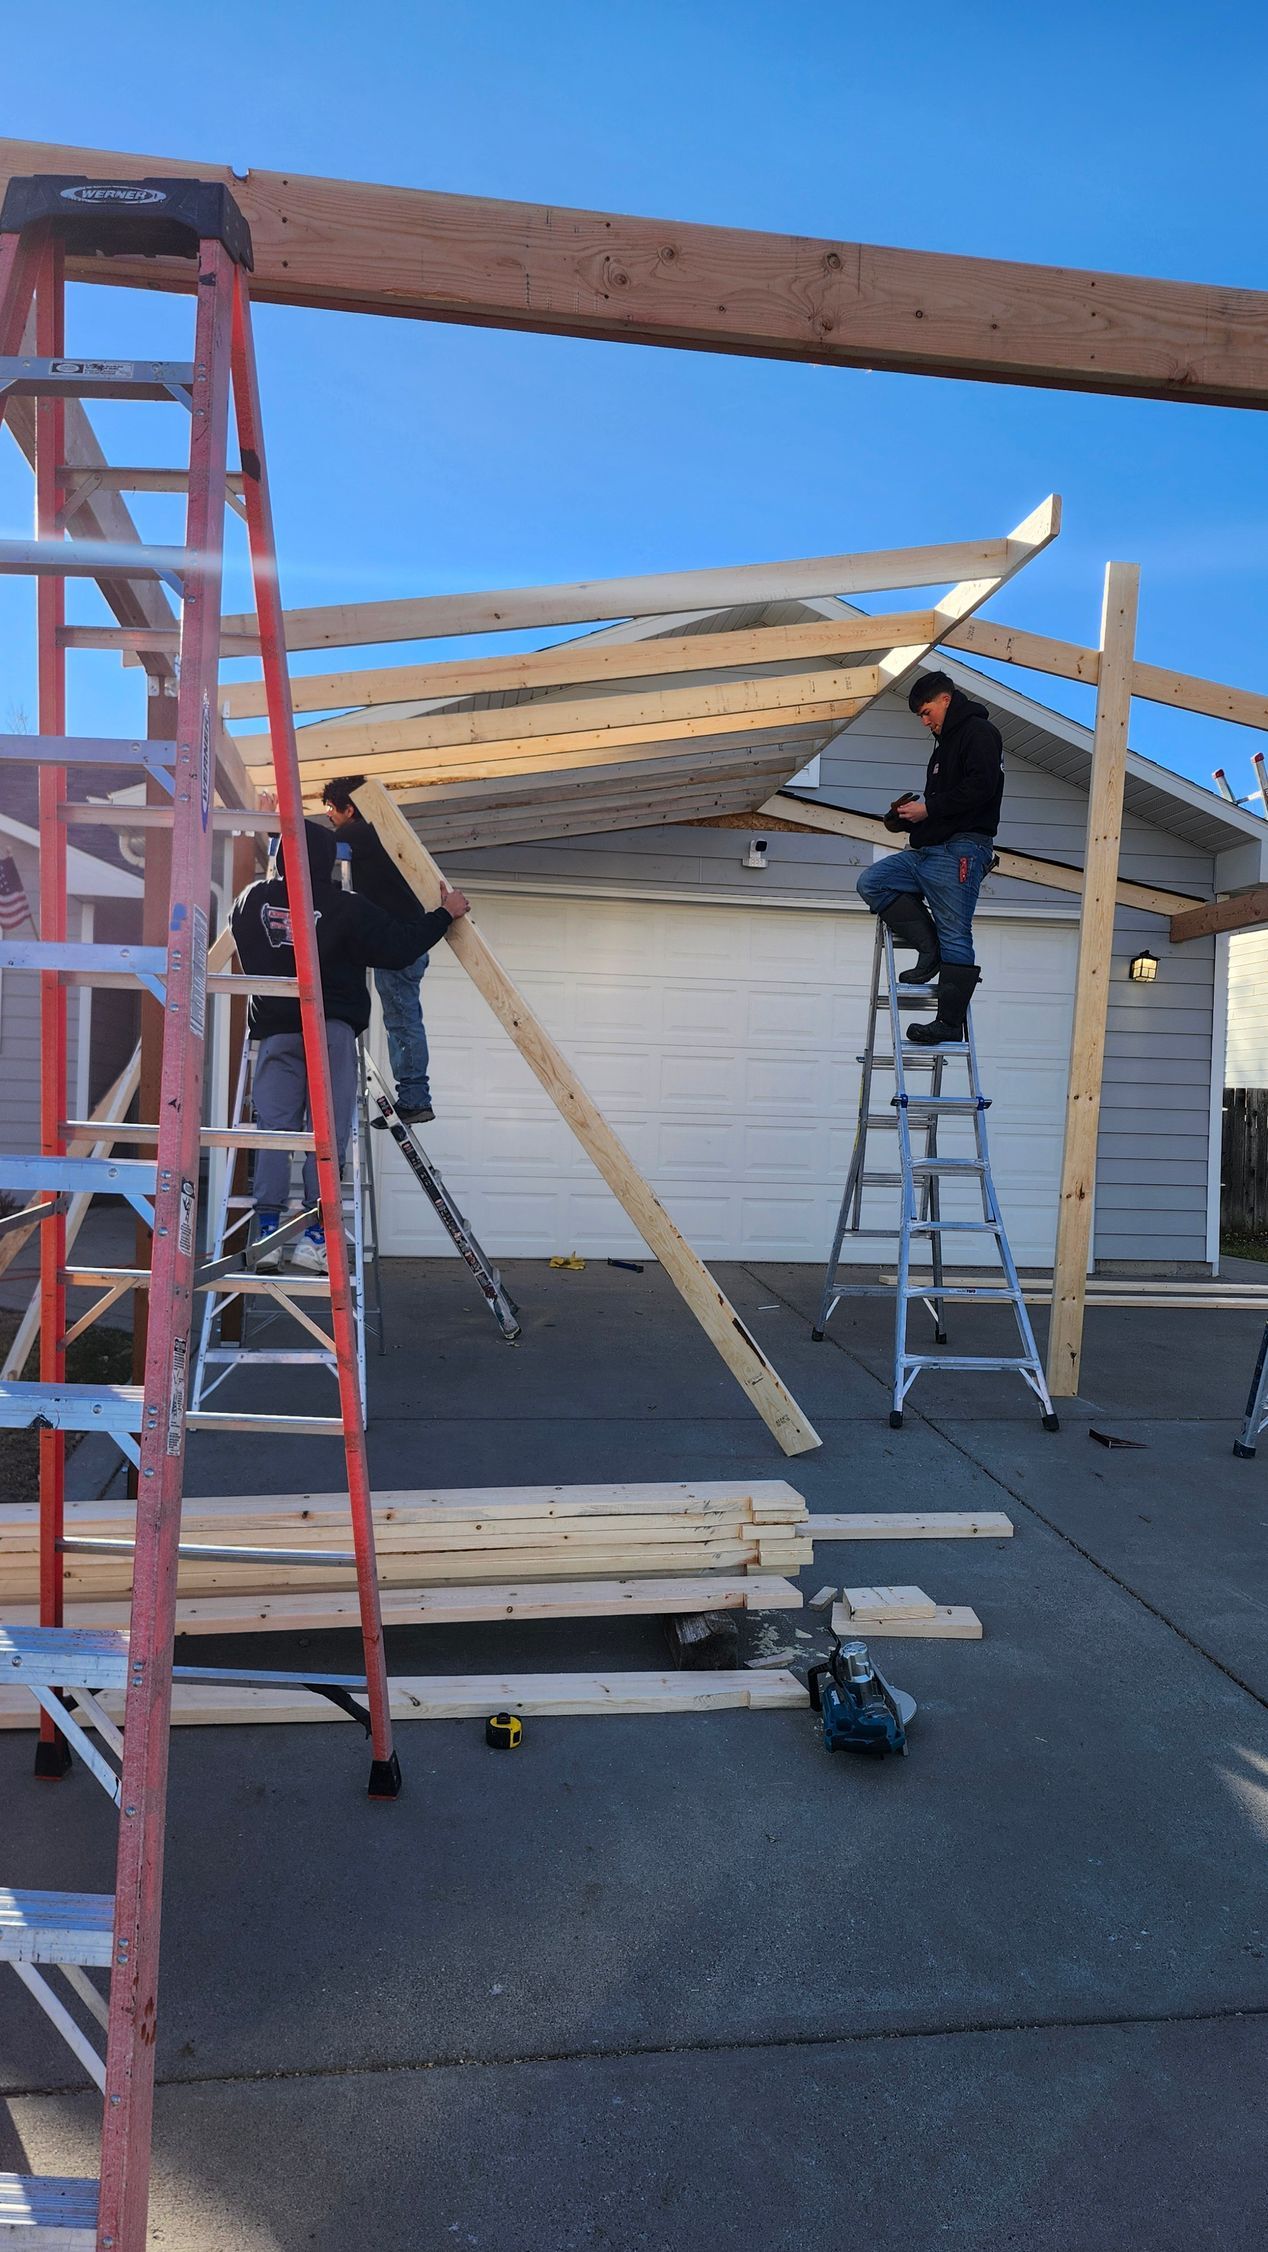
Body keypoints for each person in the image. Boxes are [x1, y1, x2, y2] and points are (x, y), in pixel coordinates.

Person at [231, 819, 467, 1271]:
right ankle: (316, 1237)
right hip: (330, 1031)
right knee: (328, 1135)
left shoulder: (249, 902)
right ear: (328, 862)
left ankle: (266, 1235)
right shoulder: (347, 907)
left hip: (276, 1031)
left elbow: (250, 933)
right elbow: (399, 947)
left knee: (274, 1134)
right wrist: (445, 912)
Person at [855, 670, 1004, 1045]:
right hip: (927, 850)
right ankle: (930, 949)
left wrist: (929, 809)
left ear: (946, 700)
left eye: (926, 712)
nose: (925, 721)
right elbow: (938, 809)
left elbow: (982, 788)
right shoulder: (942, 746)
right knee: (872, 882)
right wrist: (904, 819)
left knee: (956, 931)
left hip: (961, 850)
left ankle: (948, 1023)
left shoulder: (979, 733)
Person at [321, 774, 442, 1125]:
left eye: (331, 808)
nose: (328, 814)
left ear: (350, 809)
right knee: (401, 1018)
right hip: (397, 939)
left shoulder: (358, 834)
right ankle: (414, 1095)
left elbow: (316, 851)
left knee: (402, 1020)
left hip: (399, 943)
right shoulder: (378, 837)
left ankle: (416, 1098)